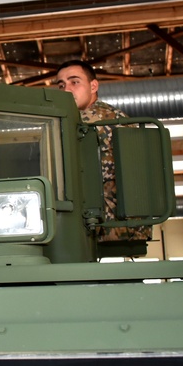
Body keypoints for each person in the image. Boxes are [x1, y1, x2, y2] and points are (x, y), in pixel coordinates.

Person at [54, 59, 150, 243]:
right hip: (128, 223)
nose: (66, 90)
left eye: (75, 82)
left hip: (108, 223)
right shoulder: (110, 113)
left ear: (93, 86)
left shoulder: (89, 119)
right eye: (61, 85)